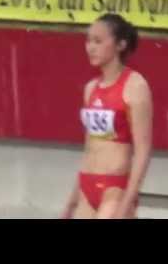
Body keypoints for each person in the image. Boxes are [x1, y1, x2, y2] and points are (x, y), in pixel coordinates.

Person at [61, 13, 153, 219]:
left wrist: (127, 203)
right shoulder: (90, 89)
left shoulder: (135, 86)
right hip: (87, 185)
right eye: (88, 40)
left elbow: (143, 149)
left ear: (120, 44)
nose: (90, 47)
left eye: (98, 41)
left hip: (115, 189)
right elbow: (89, 148)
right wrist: (71, 203)